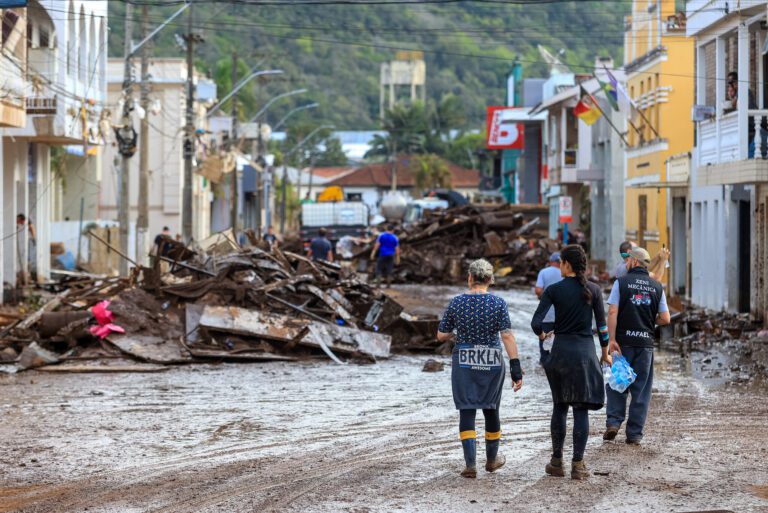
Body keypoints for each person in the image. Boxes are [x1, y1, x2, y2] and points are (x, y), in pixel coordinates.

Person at [437, 259, 523, 479]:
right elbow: (507, 336)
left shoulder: (457, 302)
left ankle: (470, 465)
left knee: (467, 409)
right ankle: (492, 460)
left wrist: (457, 332)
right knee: (491, 408)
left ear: (470, 278)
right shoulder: (498, 303)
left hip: (464, 361)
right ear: (490, 280)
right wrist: (515, 367)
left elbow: (441, 335)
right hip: (492, 360)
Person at [531, 244, 611, 480]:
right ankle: (578, 464)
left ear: (566, 264)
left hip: (561, 353)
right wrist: (605, 352)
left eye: (561, 263)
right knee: (581, 408)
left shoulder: (554, 290)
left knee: (560, 405)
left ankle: (557, 462)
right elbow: (602, 327)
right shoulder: (594, 290)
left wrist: (543, 335)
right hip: (585, 353)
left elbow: (536, 323)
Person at [604, 247, 671, 445]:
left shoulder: (621, 283)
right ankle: (634, 434)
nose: (625, 263)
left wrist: (611, 340)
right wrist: (649, 321)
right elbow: (666, 318)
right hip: (645, 344)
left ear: (634, 262)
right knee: (641, 390)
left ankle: (613, 422)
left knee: (617, 382)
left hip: (622, 343)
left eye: (627, 261)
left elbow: (612, 312)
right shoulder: (657, 286)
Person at [534, 252, 562, 364]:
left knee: (544, 341)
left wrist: (545, 297)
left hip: (546, 315)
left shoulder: (544, 272)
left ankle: (544, 363)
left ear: (551, 262)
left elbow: (538, 290)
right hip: (562, 316)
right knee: (560, 343)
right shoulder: (565, 273)